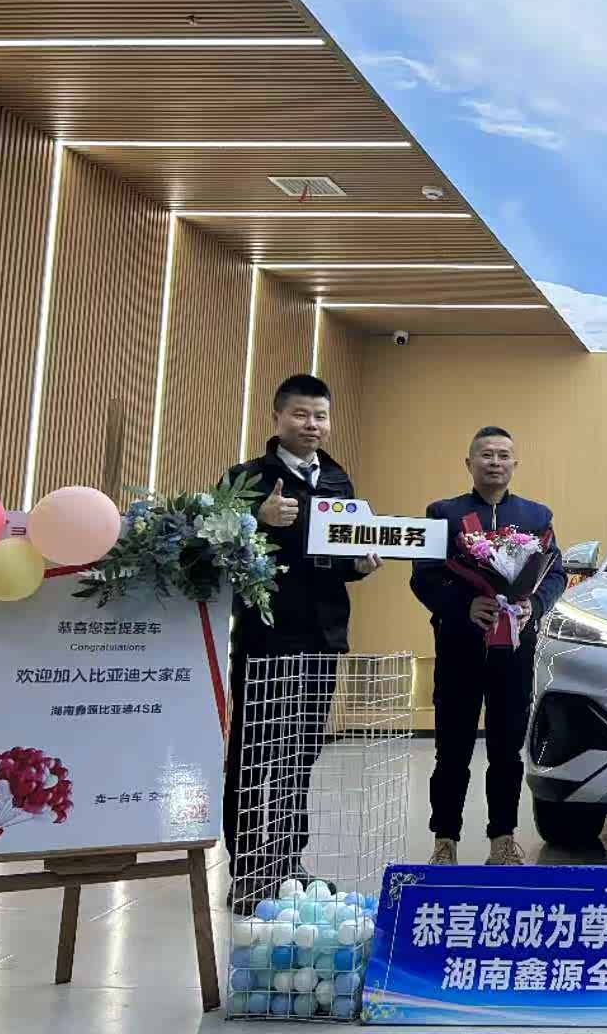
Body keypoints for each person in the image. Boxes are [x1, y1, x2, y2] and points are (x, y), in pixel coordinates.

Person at [221, 373, 384, 909]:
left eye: (320, 416)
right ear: (277, 417)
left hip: (323, 636)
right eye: (300, 414)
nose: (311, 425)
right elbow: (215, 547)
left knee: (301, 752)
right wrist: (257, 519)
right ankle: (248, 870)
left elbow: (341, 557)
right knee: (254, 753)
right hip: (265, 636)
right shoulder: (246, 478)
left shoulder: (337, 480)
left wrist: (361, 564)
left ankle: (289, 861)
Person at [411, 426, 567, 866]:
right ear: (469, 463)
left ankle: (502, 838)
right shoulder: (445, 514)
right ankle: (445, 840)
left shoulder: (536, 516)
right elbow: (423, 577)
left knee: (506, 750)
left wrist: (534, 605)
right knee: (452, 750)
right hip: (459, 649)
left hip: (513, 652)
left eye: (502, 455)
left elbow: (556, 573)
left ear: (515, 463)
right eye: (486, 455)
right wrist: (464, 607)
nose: (494, 462)